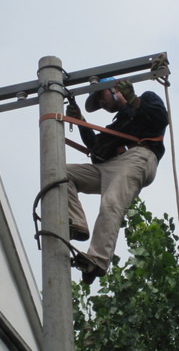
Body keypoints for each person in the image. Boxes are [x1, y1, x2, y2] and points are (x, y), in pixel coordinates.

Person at [66, 78, 169, 284]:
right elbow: (97, 148)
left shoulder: (146, 99)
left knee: (111, 202)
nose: (101, 103)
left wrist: (133, 100)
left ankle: (97, 260)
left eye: (101, 96)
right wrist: (80, 121)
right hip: (111, 166)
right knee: (61, 173)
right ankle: (77, 224)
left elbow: (160, 119)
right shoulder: (117, 123)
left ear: (115, 89)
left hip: (139, 157)